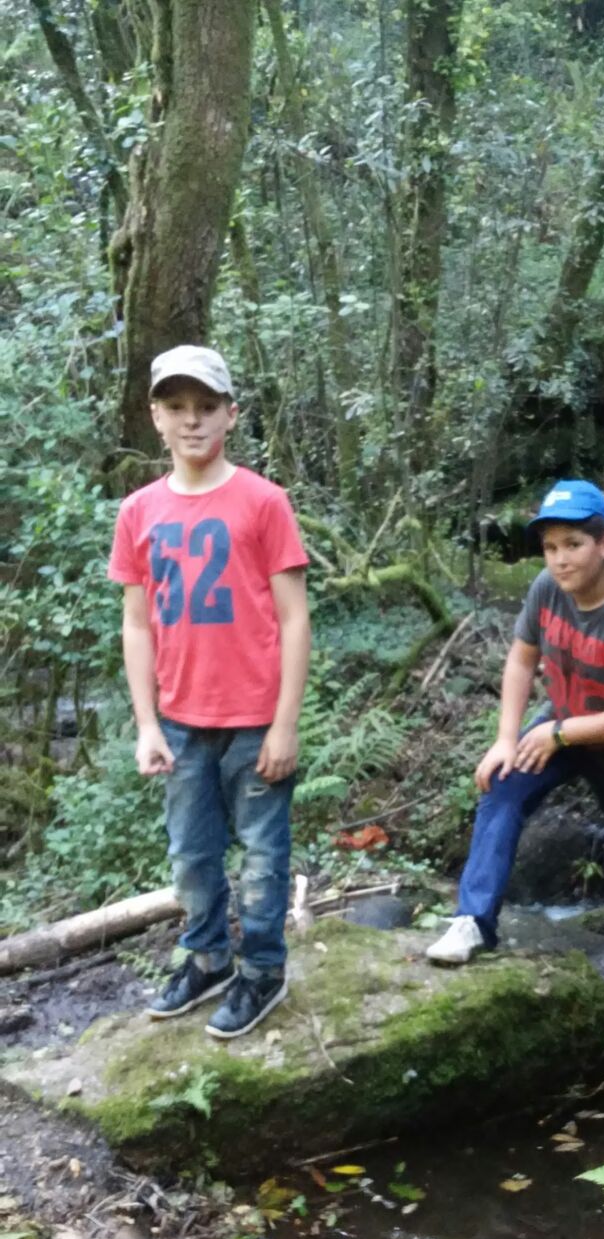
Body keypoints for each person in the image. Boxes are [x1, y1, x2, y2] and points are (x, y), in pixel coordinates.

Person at [108, 345, 311, 1039]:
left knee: (262, 858)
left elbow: (294, 618)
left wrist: (285, 724)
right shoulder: (139, 511)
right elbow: (137, 624)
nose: (191, 420)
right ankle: (207, 959)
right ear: (156, 418)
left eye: (205, 407)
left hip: (255, 719)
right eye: (177, 407)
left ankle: (263, 970)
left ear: (231, 414)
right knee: (191, 856)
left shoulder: (264, 502)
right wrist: (147, 723)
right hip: (180, 719)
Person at [427, 479, 604, 1003]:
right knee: (502, 786)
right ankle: (472, 920)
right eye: (550, 547)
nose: (560, 560)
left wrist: (557, 733)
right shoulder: (546, 588)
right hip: (562, 724)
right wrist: (505, 739)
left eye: (573, 545)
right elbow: (521, 659)